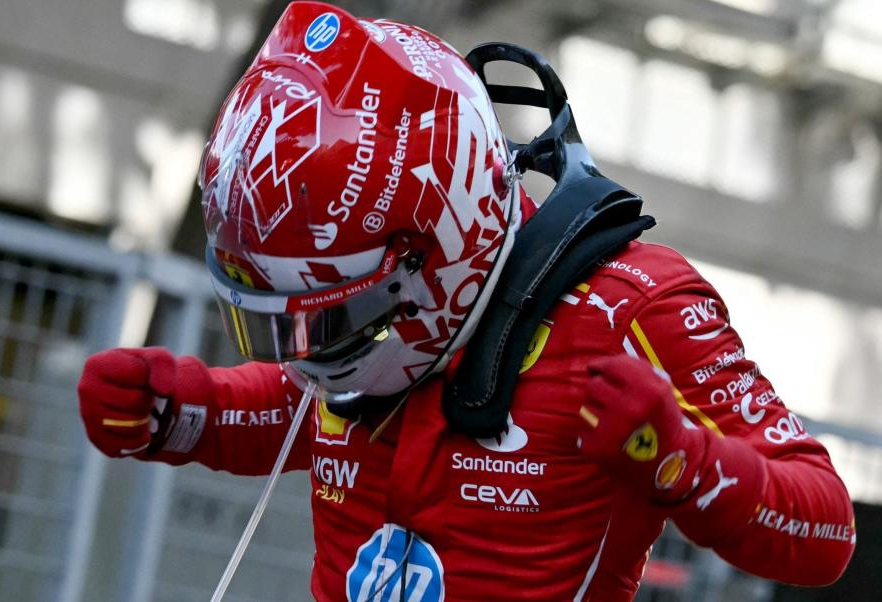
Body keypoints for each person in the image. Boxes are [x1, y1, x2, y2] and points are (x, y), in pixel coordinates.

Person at [77, 2, 856, 600]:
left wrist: (680, 459)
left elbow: (824, 525)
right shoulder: (359, 346)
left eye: (326, 319)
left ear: (432, 254)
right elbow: (305, 410)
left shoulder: (636, 309)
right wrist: (186, 410)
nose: (303, 350)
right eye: (279, 325)